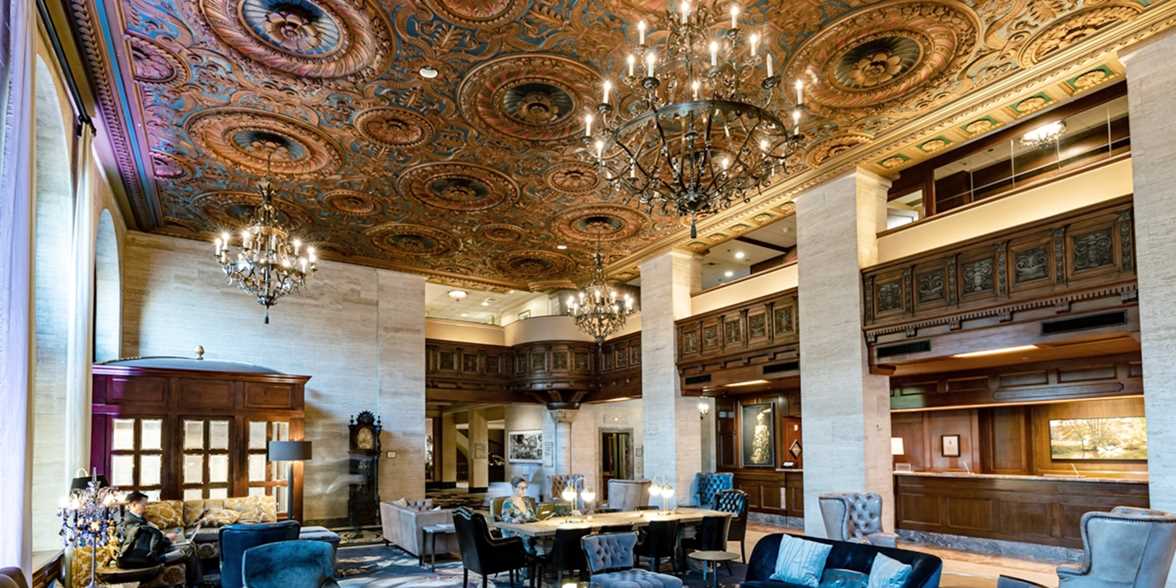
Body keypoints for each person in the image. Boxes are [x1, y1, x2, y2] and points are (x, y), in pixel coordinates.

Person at [119, 491, 201, 586]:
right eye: (144, 505)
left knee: (190, 545)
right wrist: (167, 539)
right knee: (188, 549)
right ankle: (195, 584)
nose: (146, 508)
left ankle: (194, 583)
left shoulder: (136, 518)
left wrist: (165, 537)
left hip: (156, 551)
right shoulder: (133, 523)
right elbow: (149, 545)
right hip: (153, 558)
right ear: (134, 504)